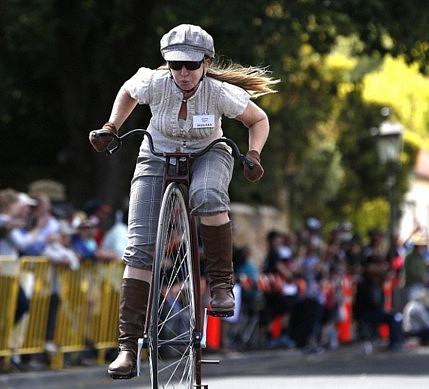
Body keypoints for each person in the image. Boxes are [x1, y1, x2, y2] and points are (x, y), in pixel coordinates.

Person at [89, 24, 277, 379]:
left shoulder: (220, 93)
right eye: (176, 65)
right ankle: (128, 348)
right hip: (157, 154)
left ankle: (221, 285)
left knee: (207, 196)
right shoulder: (154, 82)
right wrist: (111, 127)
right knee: (140, 247)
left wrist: (253, 154)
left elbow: (259, 119)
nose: (183, 73)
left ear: (206, 63)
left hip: (209, 153)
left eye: (191, 65)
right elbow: (128, 91)